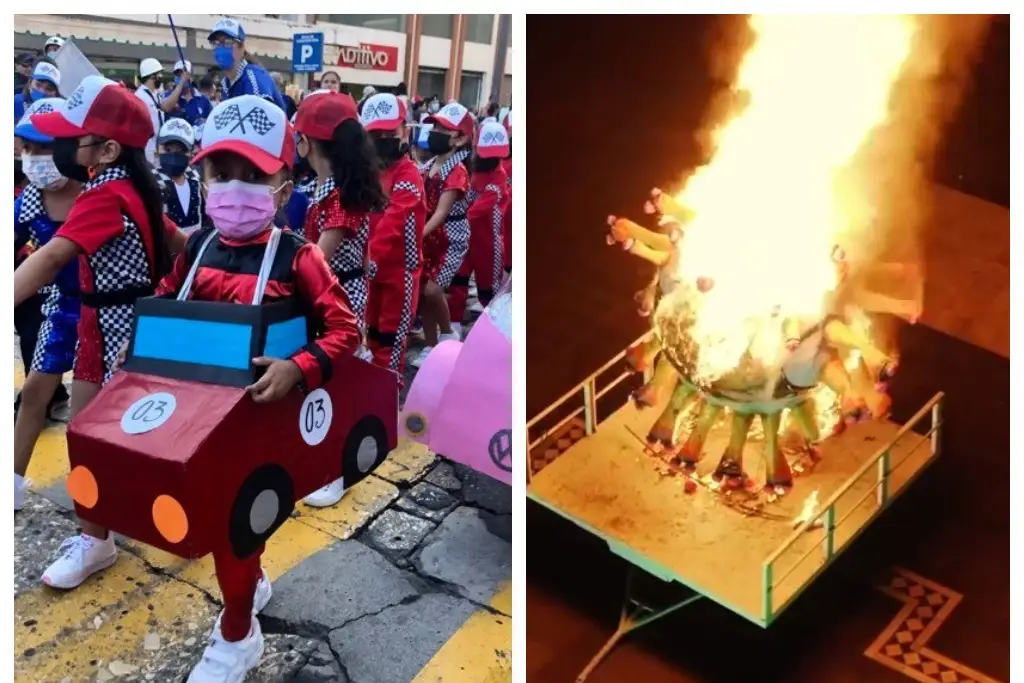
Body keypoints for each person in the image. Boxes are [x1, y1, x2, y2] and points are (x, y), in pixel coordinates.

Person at [155, 94, 361, 681]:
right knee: (221, 523)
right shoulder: (195, 248)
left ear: (283, 184)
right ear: (203, 175)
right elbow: (168, 303)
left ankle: (238, 636)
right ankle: (250, 587)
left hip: (257, 421)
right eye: (222, 174)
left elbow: (344, 329)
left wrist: (299, 366)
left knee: (235, 524)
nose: (235, 189)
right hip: (192, 415)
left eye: (254, 176)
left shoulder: (300, 258)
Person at [17, 75, 187, 589]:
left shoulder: (102, 195)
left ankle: (102, 537)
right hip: (137, 328)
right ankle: (103, 536)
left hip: (114, 333)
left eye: (71, 136)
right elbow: (179, 244)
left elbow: (48, 260)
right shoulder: (142, 187)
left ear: (108, 149)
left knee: (96, 440)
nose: (60, 147)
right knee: (139, 438)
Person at [294, 90, 386, 507]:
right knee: (327, 381)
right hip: (330, 294)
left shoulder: (340, 196)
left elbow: (317, 256)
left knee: (337, 381)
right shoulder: (324, 186)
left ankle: (339, 468)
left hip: (338, 298)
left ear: (307, 142)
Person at [13, 98, 82, 511]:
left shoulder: (100, 193)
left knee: (101, 409)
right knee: (36, 391)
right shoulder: (27, 202)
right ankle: (13, 482)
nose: (33, 158)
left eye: (43, 147)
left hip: (107, 313)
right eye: (27, 148)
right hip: (58, 307)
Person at [361, 93, 426, 381]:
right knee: (370, 337)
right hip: (370, 270)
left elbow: (394, 220)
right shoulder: (368, 172)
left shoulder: (409, 175)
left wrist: (368, 258)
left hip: (400, 274)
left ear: (405, 131)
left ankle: (386, 404)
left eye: (390, 132)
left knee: (390, 343)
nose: (384, 138)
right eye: (376, 133)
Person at [412, 102, 475, 367]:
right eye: (435, 126)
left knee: (434, 289)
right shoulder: (427, 167)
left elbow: (441, 213)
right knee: (424, 294)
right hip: (428, 239)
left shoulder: (458, 172)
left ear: (460, 139)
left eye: (444, 129)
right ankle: (430, 345)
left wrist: (416, 235)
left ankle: (449, 334)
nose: (436, 132)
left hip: (451, 239)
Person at [447, 120, 508, 326]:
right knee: (458, 282)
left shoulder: (500, 177)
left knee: (488, 290)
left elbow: (480, 208)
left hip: (487, 245)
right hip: (465, 239)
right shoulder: (470, 168)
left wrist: (452, 219)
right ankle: (454, 324)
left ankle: (494, 329)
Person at [208, 17, 286, 111]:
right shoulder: (226, 83)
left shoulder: (254, 79)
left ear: (242, 47)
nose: (220, 47)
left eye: (227, 42)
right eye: (215, 43)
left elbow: (262, 119)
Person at [136, 57, 190, 165]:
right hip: (147, 148)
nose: (162, 77)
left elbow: (166, 107)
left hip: (158, 147)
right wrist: (181, 83)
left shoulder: (155, 94)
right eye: (159, 74)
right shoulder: (140, 96)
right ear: (153, 76)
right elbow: (165, 106)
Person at [156, 118, 205, 235]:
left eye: (181, 151)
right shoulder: (151, 180)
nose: (173, 155)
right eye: (168, 149)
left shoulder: (196, 177)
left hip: (194, 247)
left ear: (191, 152)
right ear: (157, 148)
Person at [166, 60, 213, 129]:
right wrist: (181, 83)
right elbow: (166, 108)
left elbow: (211, 122)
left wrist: (205, 122)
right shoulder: (168, 95)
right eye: (178, 75)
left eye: (184, 74)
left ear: (192, 77)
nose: (182, 78)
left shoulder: (203, 100)